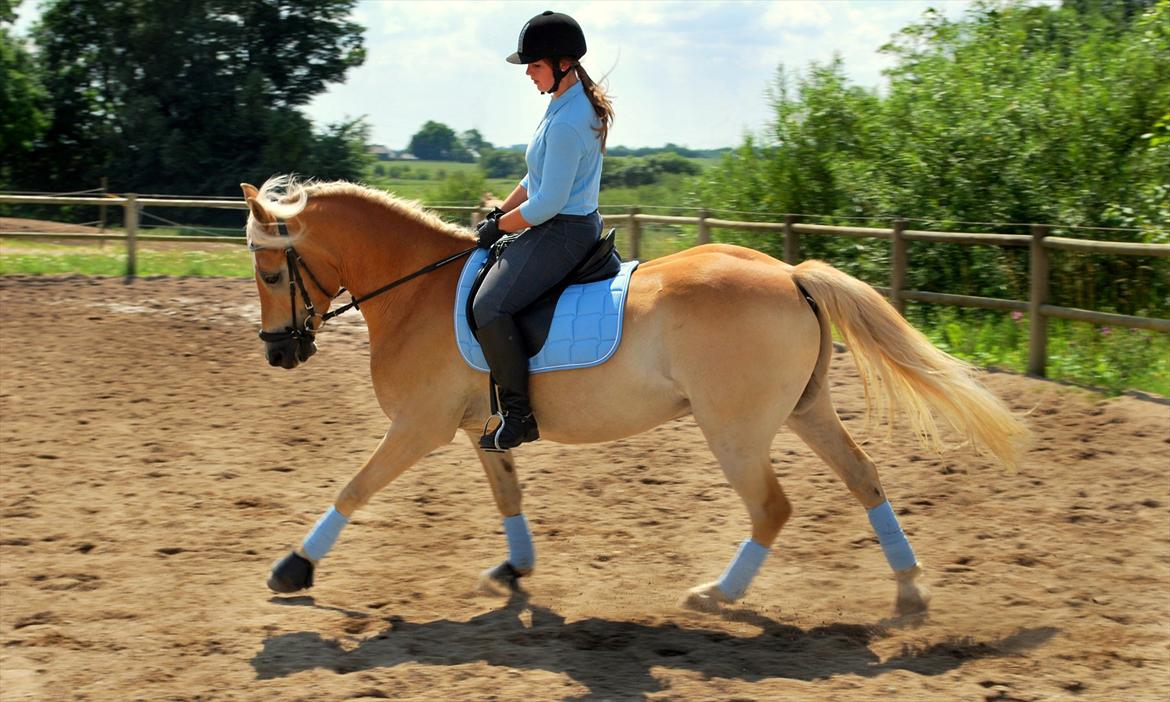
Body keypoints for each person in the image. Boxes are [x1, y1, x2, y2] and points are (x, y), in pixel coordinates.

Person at [472, 10, 615, 452]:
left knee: (489, 306)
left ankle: (519, 416)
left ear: (563, 64)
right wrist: (501, 210)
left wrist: (500, 226)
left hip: (563, 232)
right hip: (554, 223)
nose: (529, 74)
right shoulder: (561, 105)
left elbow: (549, 203)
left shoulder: (571, 120)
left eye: (535, 66)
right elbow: (533, 179)